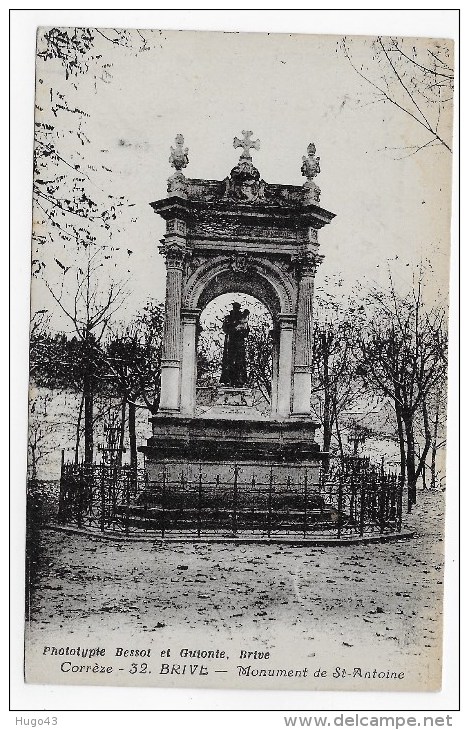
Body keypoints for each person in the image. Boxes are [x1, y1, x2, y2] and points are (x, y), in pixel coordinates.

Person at [220, 303, 250, 387]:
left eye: (238, 308)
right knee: (229, 361)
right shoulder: (228, 318)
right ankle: (228, 380)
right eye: (235, 308)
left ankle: (239, 381)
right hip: (230, 342)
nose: (236, 310)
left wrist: (243, 327)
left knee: (240, 361)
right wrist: (235, 327)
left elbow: (246, 332)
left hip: (239, 342)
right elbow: (225, 328)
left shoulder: (243, 318)